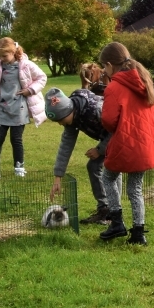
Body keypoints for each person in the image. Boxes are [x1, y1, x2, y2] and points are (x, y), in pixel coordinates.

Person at [96, 41, 154, 245]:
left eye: (104, 66)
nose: (104, 70)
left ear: (111, 64)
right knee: (135, 188)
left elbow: (109, 120)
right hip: (146, 144)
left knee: (108, 178)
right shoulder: (145, 80)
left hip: (126, 142)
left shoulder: (114, 86)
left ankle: (117, 221)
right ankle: (138, 232)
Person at [46, 85, 114, 228]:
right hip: (108, 137)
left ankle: (114, 213)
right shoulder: (72, 117)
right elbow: (66, 146)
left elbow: (117, 130)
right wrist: (58, 176)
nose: (60, 123)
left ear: (69, 111)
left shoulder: (96, 109)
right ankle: (104, 209)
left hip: (122, 136)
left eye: (61, 119)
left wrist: (100, 150)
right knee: (94, 166)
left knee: (111, 169)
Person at [0, 38, 47, 176]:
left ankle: (19, 167)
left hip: (19, 108)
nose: (2, 59)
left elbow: (42, 77)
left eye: (4, 56)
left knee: (16, 139)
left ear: (13, 52)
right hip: (2, 108)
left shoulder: (26, 65)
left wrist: (30, 90)